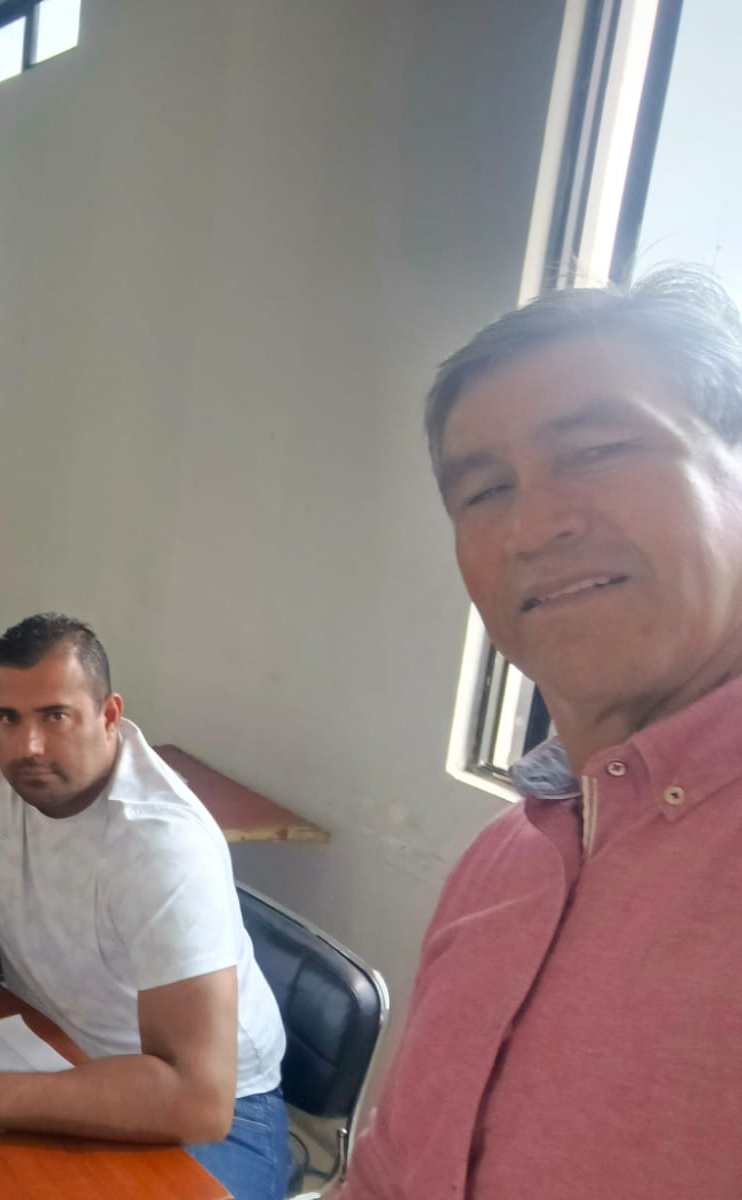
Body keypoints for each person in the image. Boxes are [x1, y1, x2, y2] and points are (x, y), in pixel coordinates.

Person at [339, 267, 742, 1198]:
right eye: (484, 493)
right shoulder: (505, 860)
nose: (532, 527)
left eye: (598, 450)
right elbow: (391, 1177)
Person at [0, 613, 289, 1200]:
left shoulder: (162, 847)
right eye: (9, 717)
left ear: (109, 716)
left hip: (215, 1112)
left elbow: (197, 1100)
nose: (27, 746)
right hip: (52, 1049)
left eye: (55, 716)